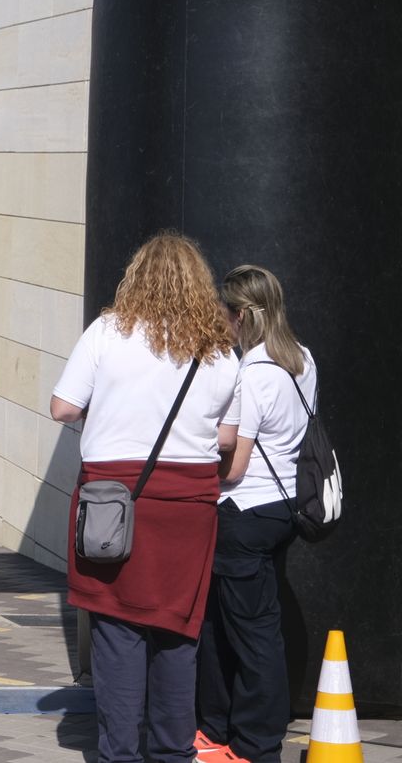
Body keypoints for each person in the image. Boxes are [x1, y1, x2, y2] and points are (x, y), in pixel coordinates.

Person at [49, 232, 240, 763]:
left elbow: (63, 407)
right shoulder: (220, 348)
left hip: (113, 497)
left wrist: (111, 414)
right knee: (179, 631)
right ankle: (173, 753)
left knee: (116, 629)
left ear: (136, 277)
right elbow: (226, 438)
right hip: (189, 505)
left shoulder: (108, 332)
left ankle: (120, 754)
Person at [196, 265, 316, 763]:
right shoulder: (303, 360)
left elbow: (235, 468)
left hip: (242, 514)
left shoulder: (251, 374)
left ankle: (252, 745)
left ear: (241, 314)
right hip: (285, 509)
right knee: (240, 624)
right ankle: (220, 732)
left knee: (249, 632)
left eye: (224, 313)